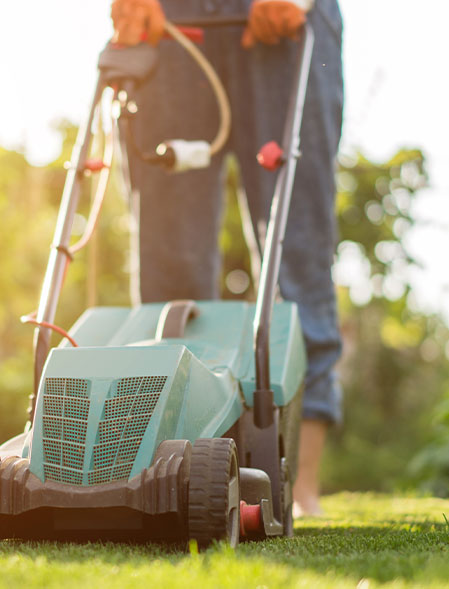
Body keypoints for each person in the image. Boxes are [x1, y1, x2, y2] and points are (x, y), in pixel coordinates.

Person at [110, 0, 343, 516]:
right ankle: (171, 468)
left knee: (295, 247)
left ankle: (298, 481)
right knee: (170, 261)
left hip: (283, 25)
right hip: (171, 23)